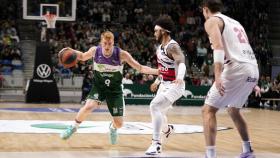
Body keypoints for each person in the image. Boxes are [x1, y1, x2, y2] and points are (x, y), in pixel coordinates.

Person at [59, 31, 159, 145]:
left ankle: (113, 128)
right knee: (89, 106)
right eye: (105, 43)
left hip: (115, 90)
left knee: (119, 124)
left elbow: (140, 68)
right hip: (99, 87)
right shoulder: (95, 51)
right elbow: (81, 56)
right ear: (101, 43)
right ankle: (73, 127)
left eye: (109, 44)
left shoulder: (122, 54)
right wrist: (70, 50)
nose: (107, 46)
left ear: (113, 43)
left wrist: (158, 71)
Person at [200, 0, 261, 158]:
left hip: (236, 68)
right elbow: (244, 48)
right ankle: (247, 151)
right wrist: (252, 80)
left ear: (206, 10)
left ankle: (210, 155)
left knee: (208, 110)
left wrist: (218, 75)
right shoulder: (235, 22)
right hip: (252, 68)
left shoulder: (211, 21)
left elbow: (218, 48)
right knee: (233, 110)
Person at [145, 15, 186, 155]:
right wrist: (157, 81)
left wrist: (180, 77)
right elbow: (163, 68)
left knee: (154, 106)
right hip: (164, 83)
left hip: (175, 85)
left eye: (156, 30)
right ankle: (168, 130)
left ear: (163, 31)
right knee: (160, 112)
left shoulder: (172, 46)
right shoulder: (160, 48)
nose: (154, 33)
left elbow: (182, 62)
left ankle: (156, 144)